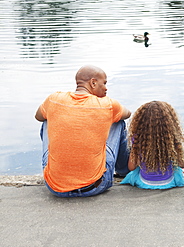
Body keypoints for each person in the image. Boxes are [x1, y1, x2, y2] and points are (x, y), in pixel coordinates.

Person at [35, 65, 131, 197]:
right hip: (95, 186)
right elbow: (127, 113)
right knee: (118, 121)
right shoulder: (108, 104)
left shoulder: (54, 99)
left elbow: (38, 116)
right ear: (93, 83)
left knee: (47, 119)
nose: (106, 88)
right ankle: (123, 170)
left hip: (55, 188)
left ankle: (61, 166)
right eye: (104, 83)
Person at [120, 101, 184, 189]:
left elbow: (131, 167)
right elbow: (182, 164)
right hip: (169, 182)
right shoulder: (172, 138)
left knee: (135, 172)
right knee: (177, 170)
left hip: (144, 182)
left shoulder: (137, 138)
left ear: (139, 122)